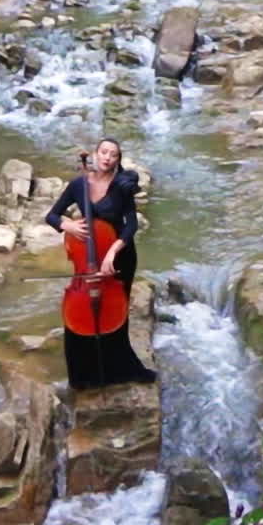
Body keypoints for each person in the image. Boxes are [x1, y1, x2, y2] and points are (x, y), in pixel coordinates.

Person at [45, 137, 157, 390]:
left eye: (113, 154)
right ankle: (84, 376)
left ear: (117, 159)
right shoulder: (78, 185)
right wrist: (68, 225)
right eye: (103, 152)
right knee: (77, 317)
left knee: (116, 316)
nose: (107, 157)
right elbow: (51, 215)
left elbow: (132, 225)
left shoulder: (122, 185)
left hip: (119, 256)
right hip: (88, 258)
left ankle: (123, 370)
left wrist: (112, 254)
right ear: (95, 155)